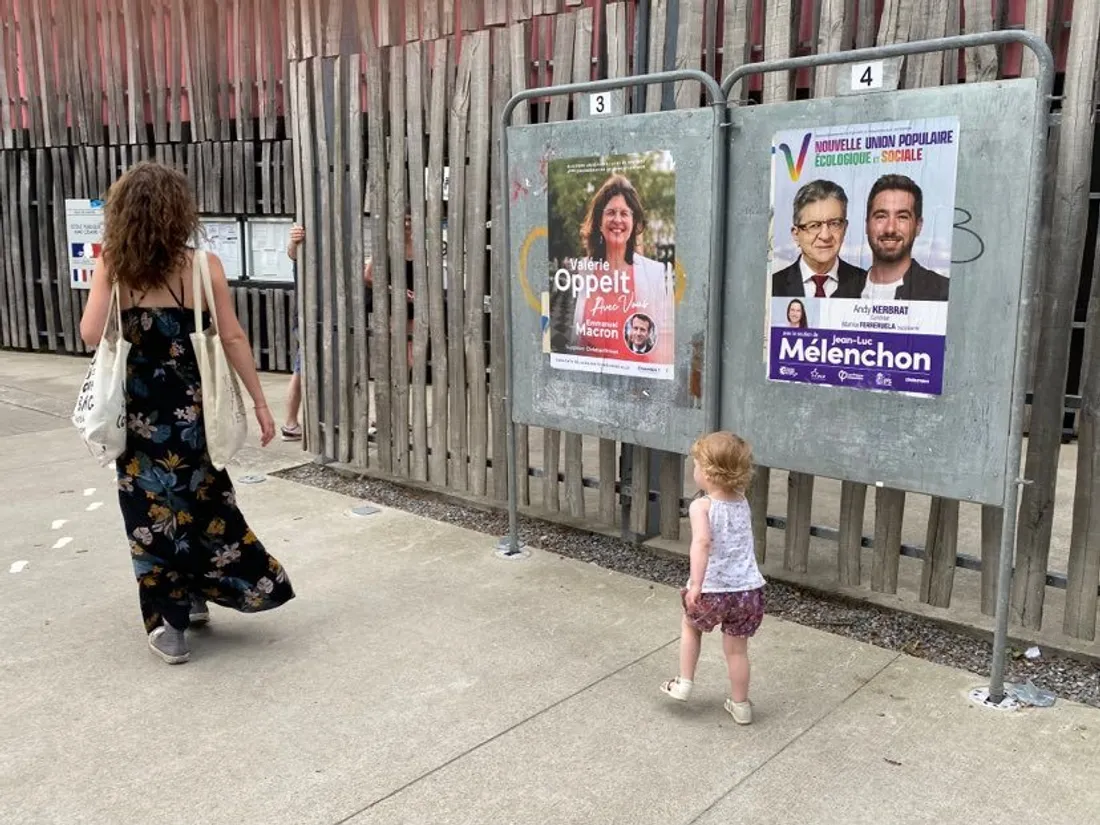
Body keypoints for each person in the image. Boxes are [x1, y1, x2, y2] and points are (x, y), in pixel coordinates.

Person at [79, 161, 295, 665]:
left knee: (150, 518)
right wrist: (262, 405)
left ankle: (169, 623)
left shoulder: (113, 263)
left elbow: (92, 335)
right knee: (204, 507)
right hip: (193, 415)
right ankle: (198, 594)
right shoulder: (204, 266)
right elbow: (233, 337)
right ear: (179, 214)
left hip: (137, 421)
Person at [660, 431, 765, 725]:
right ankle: (741, 705)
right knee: (737, 650)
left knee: (691, 626)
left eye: (696, 465)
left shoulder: (701, 506)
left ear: (706, 473)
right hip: (748, 591)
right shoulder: (742, 501)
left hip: (714, 589)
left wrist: (695, 585)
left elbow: (702, 544)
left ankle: (684, 683)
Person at [569, 174, 674, 362]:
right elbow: (578, 338)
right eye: (610, 212)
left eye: (624, 213)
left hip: (635, 386)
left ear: (633, 224)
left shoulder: (654, 274)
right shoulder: (585, 269)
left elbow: (663, 347)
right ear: (599, 223)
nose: (617, 219)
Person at [859, 174, 950, 301]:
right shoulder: (841, 291)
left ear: (918, 226)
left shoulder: (943, 292)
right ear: (867, 225)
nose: (890, 229)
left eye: (902, 217)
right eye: (881, 216)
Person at [772, 179, 865, 299]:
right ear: (796, 235)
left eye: (834, 224)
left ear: (845, 228)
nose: (825, 236)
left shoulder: (867, 284)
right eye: (814, 225)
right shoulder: (773, 286)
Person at [281, 223, 305, 441]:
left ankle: (291, 423)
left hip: (309, 317)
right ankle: (290, 422)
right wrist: (294, 239)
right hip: (307, 318)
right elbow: (292, 252)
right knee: (302, 370)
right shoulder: (302, 238)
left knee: (301, 369)